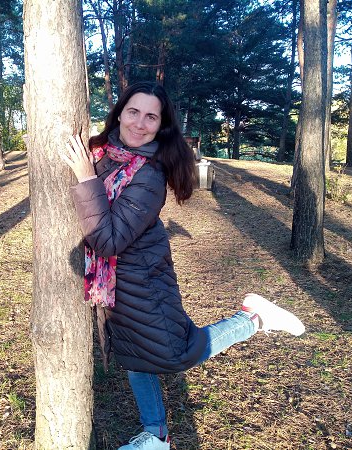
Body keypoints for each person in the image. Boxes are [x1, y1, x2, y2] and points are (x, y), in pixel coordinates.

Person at [60, 81, 305, 450]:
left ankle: (253, 318)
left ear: (161, 125)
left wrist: (85, 178)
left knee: (177, 354)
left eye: (151, 117)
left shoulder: (148, 174)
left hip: (143, 282)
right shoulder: (105, 154)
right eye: (133, 111)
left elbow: (108, 240)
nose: (139, 123)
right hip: (116, 284)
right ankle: (157, 435)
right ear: (119, 113)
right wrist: (89, 170)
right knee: (135, 356)